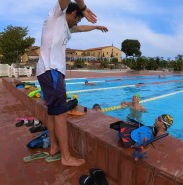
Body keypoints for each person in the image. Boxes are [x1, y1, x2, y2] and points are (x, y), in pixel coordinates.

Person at [36, 0, 108, 167]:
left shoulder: (66, 28)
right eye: (78, 18)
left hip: (50, 72)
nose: (78, 22)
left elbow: (81, 29)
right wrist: (83, 7)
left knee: (53, 112)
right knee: (60, 113)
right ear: (73, 13)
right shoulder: (56, 15)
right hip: (51, 70)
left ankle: (54, 147)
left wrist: (97, 27)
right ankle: (66, 157)